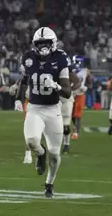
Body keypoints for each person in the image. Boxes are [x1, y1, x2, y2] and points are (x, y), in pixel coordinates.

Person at [16, 27, 72, 198]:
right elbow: (24, 80)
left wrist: (55, 86)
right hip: (34, 107)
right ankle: (41, 154)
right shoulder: (28, 58)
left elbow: (68, 92)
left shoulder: (60, 59)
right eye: (40, 44)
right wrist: (19, 99)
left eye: (46, 43)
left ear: (53, 43)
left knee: (55, 153)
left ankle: (49, 183)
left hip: (53, 109)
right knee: (32, 141)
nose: (43, 47)